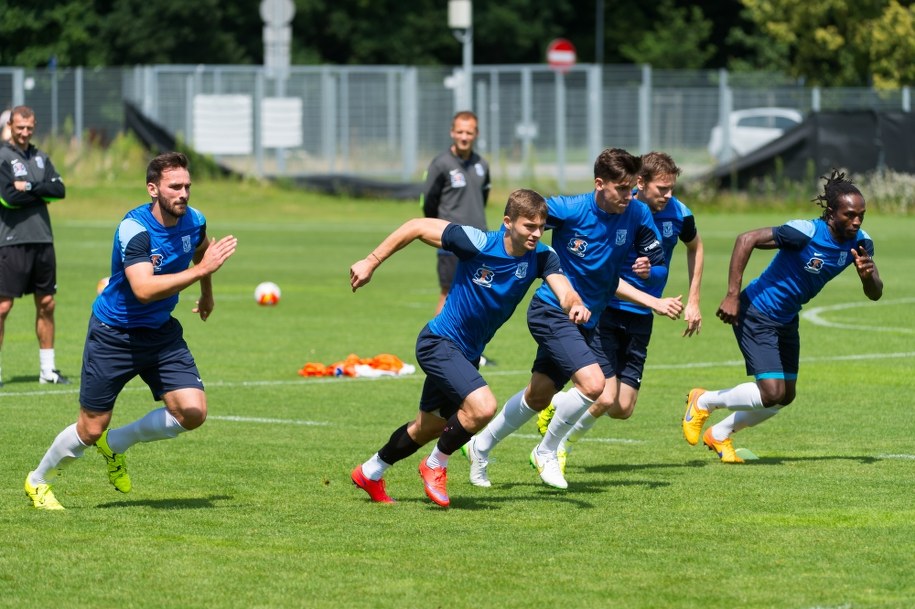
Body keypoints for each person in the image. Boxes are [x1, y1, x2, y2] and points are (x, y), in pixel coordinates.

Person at [24, 151, 237, 509]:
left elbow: (203, 253)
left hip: (160, 332)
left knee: (192, 412)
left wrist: (207, 294)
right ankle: (38, 480)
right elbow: (143, 288)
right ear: (153, 189)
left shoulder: (194, 220)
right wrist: (201, 274)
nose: (183, 193)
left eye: (187, 186)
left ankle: (117, 443)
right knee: (90, 429)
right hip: (114, 334)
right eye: (174, 187)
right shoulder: (134, 229)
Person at [349, 189, 589, 507]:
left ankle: (370, 471)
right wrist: (371, 261)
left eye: (540, 226)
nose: (535, 233)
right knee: (482, 407)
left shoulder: (542, 257)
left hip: (467, 353)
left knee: (428, 427)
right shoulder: (477, 242)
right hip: (439, 342)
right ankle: (435, 465)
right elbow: (416, 226)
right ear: (508, 222)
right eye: (528, 226)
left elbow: (563, 287)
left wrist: (573, 304)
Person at [464, 148, 684, 491]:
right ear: (600, 184)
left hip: (589, 318)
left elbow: (653, 254)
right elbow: (523, 223)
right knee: (595, 386)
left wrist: (647, 265)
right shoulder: (569, 209)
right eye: (623, 189)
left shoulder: (638, 213)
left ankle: (480, 445)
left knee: (538, 397)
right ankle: (546, 451)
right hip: (552, 309)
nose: (631, 195)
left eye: (632, 188)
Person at [682, 170, 883, 463]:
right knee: (771, 391)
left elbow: (875, 293)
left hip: (787, 318)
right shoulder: (805, 232)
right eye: (849, 215)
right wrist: (732, 295)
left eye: (861, 215)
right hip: (757, 311)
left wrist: (868, 277)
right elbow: (746, 239)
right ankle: (703, 400)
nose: (856, 221)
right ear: (831, 212)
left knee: (786, 395)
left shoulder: (861, 243)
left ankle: (720, 434)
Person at [536, 152, 704, 470]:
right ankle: (556, 449)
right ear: (641, 183)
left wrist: (693, 299)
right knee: (604, 395)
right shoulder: (622, 208)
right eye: (663, 189)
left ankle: (560, 402)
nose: (669, 195)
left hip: (641, 317)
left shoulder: (680, 214)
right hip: (609, 309)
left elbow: (694, 246)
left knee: (622, 407)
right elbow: (600, 268)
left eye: (672, 188)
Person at [0, 105, 68, 386]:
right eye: (20, 128)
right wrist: (41, 190)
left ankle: (47, 370)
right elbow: (7, 198)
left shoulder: (42, 157)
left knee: (47, 304)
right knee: (2, 307)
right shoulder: (2, 156)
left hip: (43, 240)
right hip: (11, 240)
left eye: (29, 128)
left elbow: (59, 190)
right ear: (10, 126)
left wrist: (27, 187)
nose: (25, 133)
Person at [421, 110, 491, 317]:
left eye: (469, 133)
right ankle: (435, 345)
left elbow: (483, 198)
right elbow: (428, 201)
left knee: (477, 296)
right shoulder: (441, 163)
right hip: (451, 242)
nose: (464, 137)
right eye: (460, 132)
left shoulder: (482, 165)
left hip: (479, 240)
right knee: (448, 293)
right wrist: (441, 230)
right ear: (452, 132)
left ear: (476, 134)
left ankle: (468, 348)